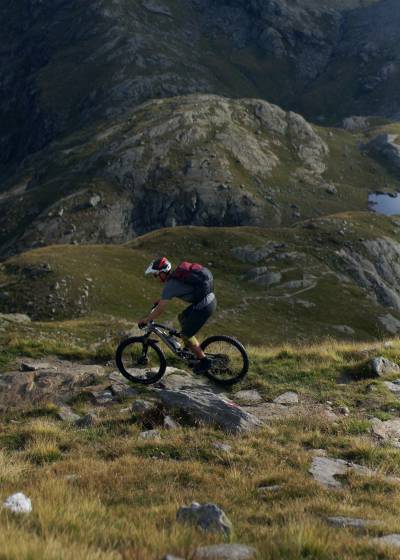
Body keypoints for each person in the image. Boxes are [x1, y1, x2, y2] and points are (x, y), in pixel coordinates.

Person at [138, 257, 217, 373]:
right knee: (182, 317)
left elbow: (160, 309)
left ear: (163, 272)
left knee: (185, 334)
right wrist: (160, 300)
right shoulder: (176, 278)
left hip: (204, 306)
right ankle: (189, 349)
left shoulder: (171, 285)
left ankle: (205, 361)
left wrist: (146, 320)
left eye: (156, 275)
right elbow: (173, 293)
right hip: (209, 299)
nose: (156, 278)